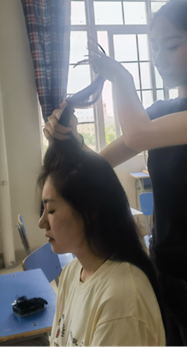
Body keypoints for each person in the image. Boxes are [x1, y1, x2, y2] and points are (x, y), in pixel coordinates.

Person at [45, 0, 187, 346]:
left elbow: (138, 135)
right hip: (161, 269)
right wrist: (69, 138)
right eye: (154, 47)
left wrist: (121, 77)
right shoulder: (159, 111)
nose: (159, 57)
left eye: (171, 46)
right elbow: (96, 165)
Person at [37, 138, 165, 347]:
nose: (41, 223)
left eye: (50, 210)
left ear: (89, 213)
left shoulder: (121, 301)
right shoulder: (71, 272)